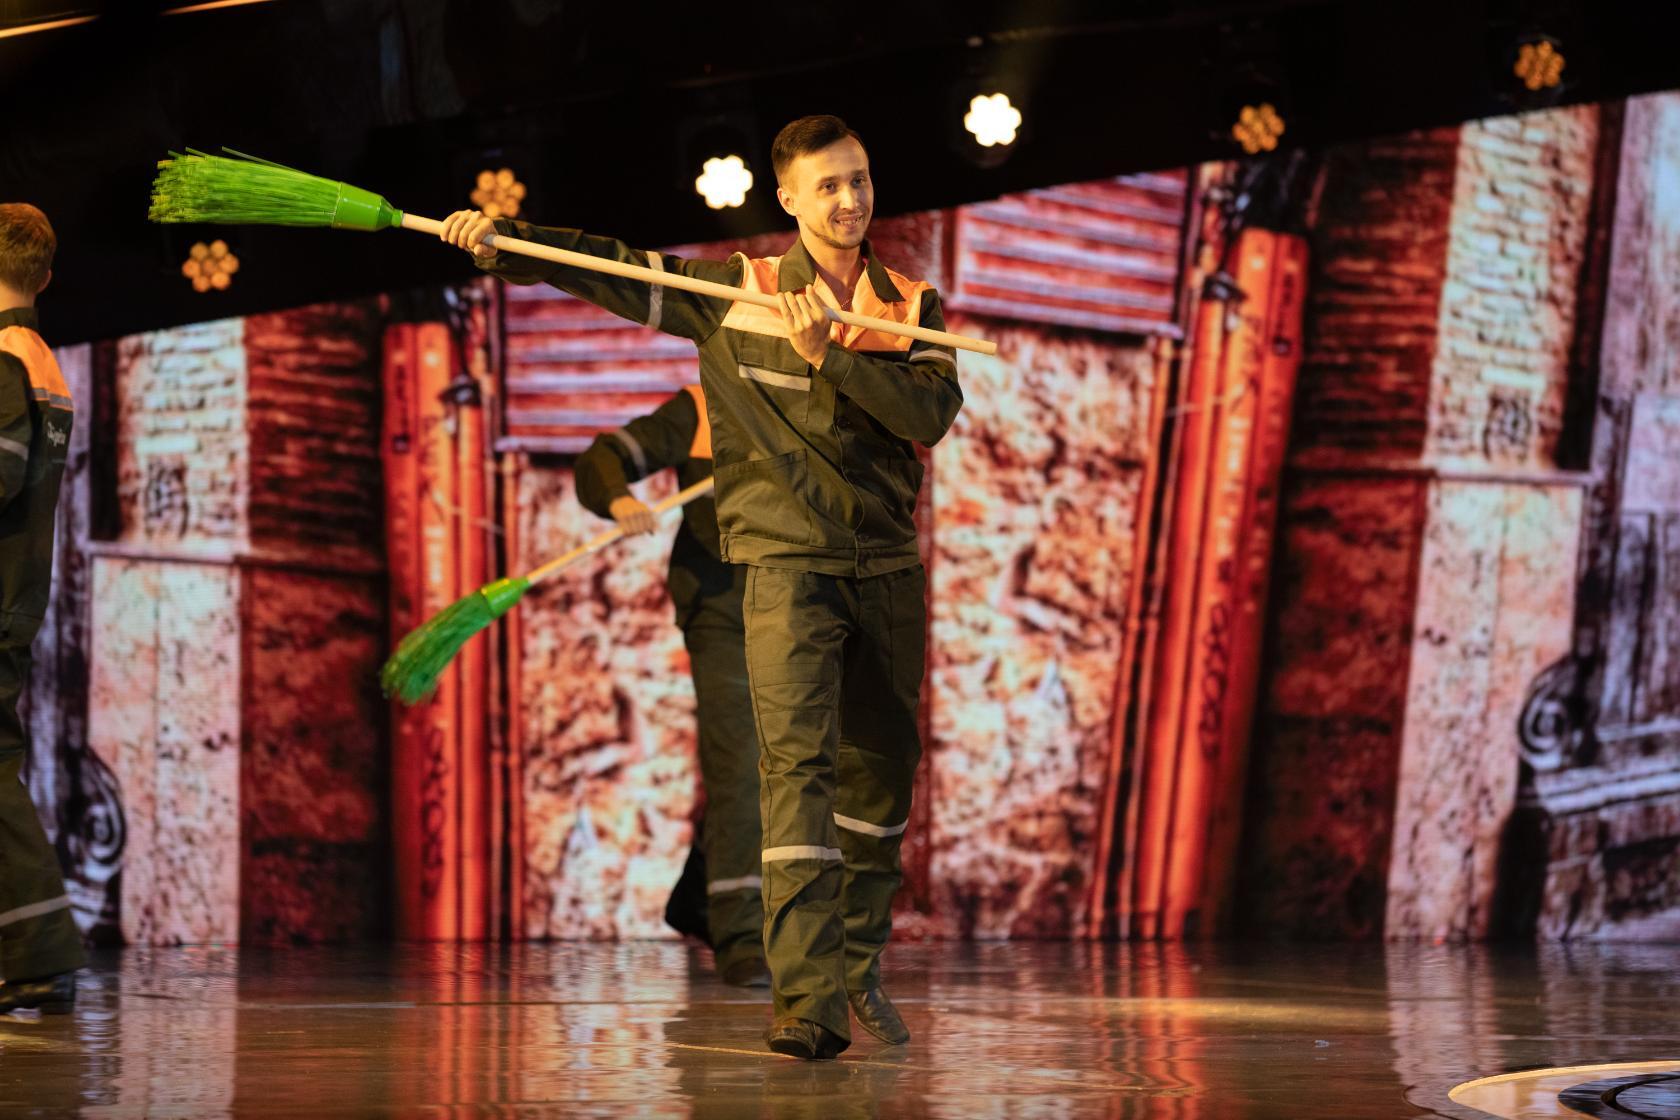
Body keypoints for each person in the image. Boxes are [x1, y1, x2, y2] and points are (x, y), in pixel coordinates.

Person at [443, 114, 961, 1060]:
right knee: (791, 774)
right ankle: (806, 1001)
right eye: (828, 185)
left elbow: (929, 414)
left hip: (886, 569)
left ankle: (856, 961)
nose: (849, 199)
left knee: (881, 780)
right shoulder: (736, 293)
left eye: (859, 179)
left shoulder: (910, 304)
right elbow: (612, 267)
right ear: (789, 199)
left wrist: (833, 356)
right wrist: (505, 244)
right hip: (782, 570)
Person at [573, 385, 768, 988]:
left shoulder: (824, 389)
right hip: (723, 609)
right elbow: (605, 457)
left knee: (800, 763)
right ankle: (741, 932)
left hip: (801, 607)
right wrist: (617, 499)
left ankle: (700, 892)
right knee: (741, 764)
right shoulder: (702, 406)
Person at [0, 202, 85, 1014]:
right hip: (15, 590)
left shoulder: (3, 359)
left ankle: (41, 950)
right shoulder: (41, 360)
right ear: (47, 278)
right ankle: (35, 951)